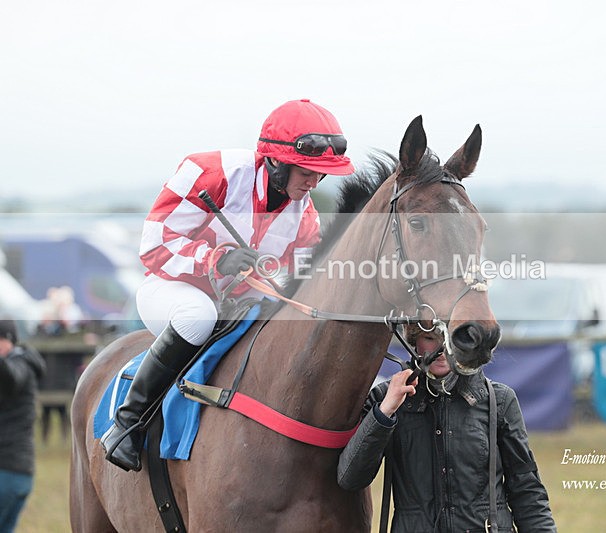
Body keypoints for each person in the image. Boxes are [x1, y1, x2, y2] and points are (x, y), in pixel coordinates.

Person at [101, 99, 355, 472]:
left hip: (239, 303)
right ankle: (128, 423)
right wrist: (216, 260)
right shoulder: (210, 172)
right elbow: (153, 245)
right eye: (306, 171)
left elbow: (298, 283)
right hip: (173, 289)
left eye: (321, 174)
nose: (314, 182)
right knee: (198, 316)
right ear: (274, 161)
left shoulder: (306, 214)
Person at [337, 326, 557, 532]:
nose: (442, 350)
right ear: (414, 341)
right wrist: (385, 411)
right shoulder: (385, 399)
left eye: (450, 339)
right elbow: (350, 478)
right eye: (431, 338)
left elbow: (527, 490)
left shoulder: (499, 400)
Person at [0, 319, 46, 533]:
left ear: (7, 341)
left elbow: (11, 376)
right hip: (17, 474)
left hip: (7, 472)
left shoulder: (20, 364)